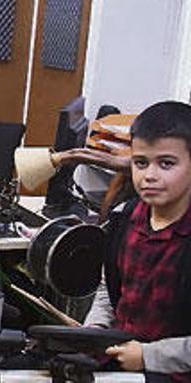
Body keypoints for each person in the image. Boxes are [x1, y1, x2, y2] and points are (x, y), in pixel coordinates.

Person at [84, 100, 191, 381]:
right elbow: (110, 288)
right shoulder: (125, 218)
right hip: (119, 364)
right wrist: (94, 329)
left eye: (166, 164)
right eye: (141, 163)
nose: (149, 176)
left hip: (171, 373)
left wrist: (147, 356)